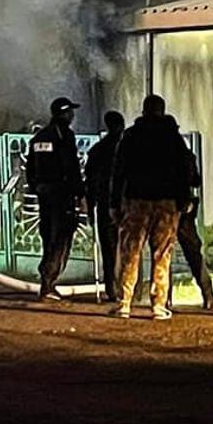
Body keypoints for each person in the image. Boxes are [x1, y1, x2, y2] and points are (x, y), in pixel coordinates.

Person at [109, 94, 193, 321]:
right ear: (162, 111)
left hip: (136, 201)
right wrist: (184, 198)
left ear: (144, 111)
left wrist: (114, 203)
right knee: (162, 253)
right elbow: (185, 170)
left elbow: (119, 172)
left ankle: (124, 302)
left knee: (130, 252)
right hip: (166, 203)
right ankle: (158, 304)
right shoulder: (173, 138)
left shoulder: (131, 136)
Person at [28, 96, 84, 301]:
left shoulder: (39, 137)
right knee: (61, 237)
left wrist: (37, 187)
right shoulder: (64, 136)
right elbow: (71, 167)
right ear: (64, 113)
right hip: (62, 194)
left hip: (45, 194)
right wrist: (80, 194)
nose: (72, 116)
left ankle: (47, 278)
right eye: (70, 112)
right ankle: (48, 281)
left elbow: (31, 166)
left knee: (48, 235)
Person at [170, 149, 213, 310]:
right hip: (184, 206)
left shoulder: (148, 150)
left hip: (162, 207)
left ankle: (163, 299)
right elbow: (195, 180)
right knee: (193, 251)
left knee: (162, 254)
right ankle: (208, 294)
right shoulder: (183, 152)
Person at [83, 110, 124, 301]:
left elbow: (90, 182)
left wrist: (90, 207)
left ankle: (112, 289)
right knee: (128, 247)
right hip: (126, 205)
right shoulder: (128, 148)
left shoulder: (97, 150)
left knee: (109, 249)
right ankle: (129, 289)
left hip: (104, 206)